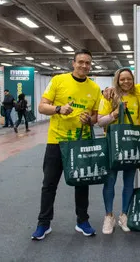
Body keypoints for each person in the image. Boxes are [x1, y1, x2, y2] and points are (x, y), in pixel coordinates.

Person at [31, 49, 102, 241]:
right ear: (73, 63)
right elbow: (41, 106)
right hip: (57, 142)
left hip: (81, 142)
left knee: (82, 184)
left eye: (88, 63)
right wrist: (59, 109)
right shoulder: (58, 80)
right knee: (49, 184)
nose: (84, 66)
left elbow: (96, 117)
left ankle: (82, 221)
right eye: (81, 62)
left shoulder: (94, 88)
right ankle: (43, 224)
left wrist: (90, 119)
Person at [97, 68, 138, 234]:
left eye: (129, 79)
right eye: (122, 79)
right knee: (110, 181)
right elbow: (100, 122)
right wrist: (114, 114)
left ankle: (124, 215)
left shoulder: (138, 96)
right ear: (117, 81)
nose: (126, 82)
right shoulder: (109, 96)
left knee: (129, 182)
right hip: (112, 144)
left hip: (131, 144)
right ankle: (109, 216)